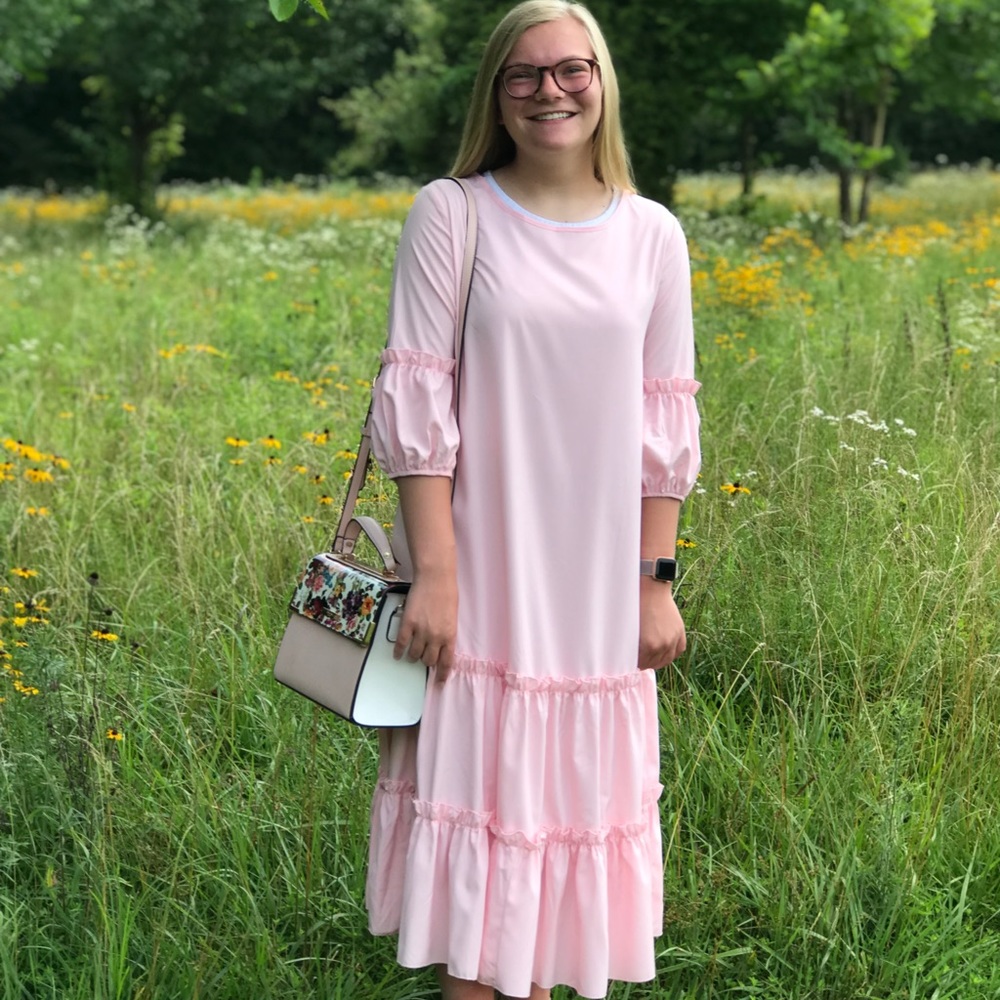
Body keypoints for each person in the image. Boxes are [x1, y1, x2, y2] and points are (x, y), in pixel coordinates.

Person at [366, 2, 701, 997]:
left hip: (598, 598)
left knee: (562, 879)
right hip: (484, 587)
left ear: (602, 82)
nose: (549, 90)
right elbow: (417, 403)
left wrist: (656, 583)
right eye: (523, 75)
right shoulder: (452, 213)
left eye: (570, 69)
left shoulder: (653, 235)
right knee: (485, 903)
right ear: (494, 95)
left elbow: (664, 427)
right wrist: (436, 577)